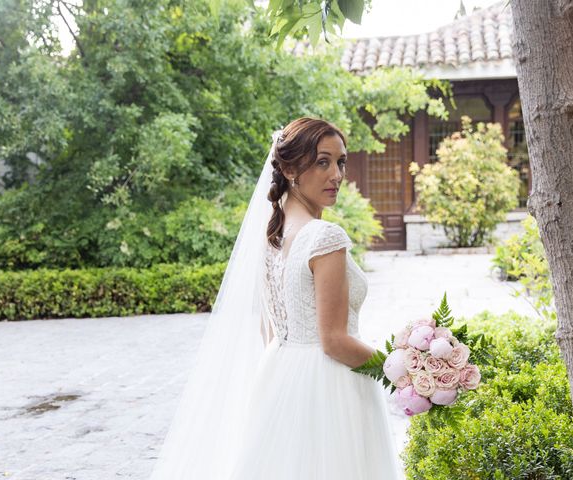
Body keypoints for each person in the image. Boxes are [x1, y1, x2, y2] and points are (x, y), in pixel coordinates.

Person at [148, 117, 402, 479]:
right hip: (332, 387)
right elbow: (333, 341)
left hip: (281, 376)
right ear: (288, 168)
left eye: (340, 162)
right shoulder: (324, 236)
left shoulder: (272, 232)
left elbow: (270, 329)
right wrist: (399, 367)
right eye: (322, 161)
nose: (336, 175)